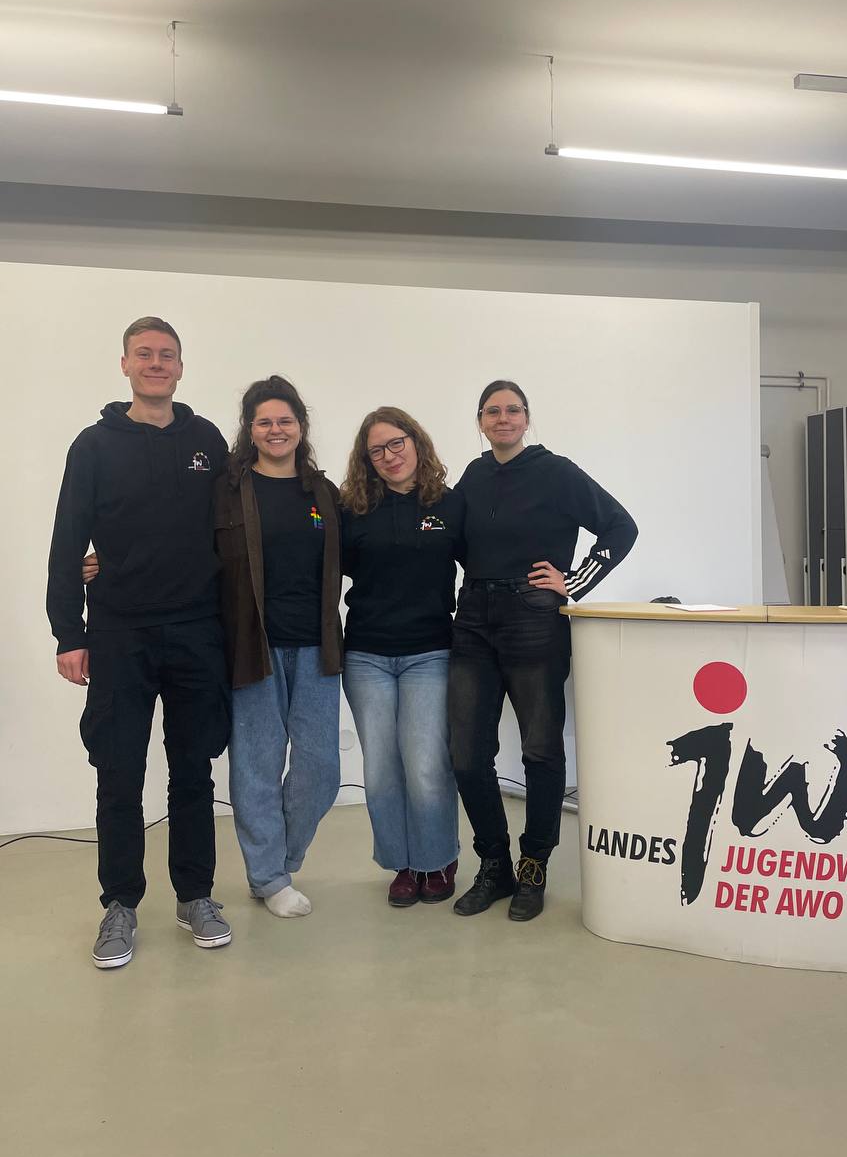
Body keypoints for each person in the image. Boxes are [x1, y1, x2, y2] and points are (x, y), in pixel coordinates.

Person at [47, 316, 233, 970]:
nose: (156, 364)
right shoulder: (94, 446)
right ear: (125, 364)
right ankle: (120, 904)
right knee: (119, 773)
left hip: (196, 631)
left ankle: (196, 895)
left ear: (181, 367)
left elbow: (232, 532)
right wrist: (69, 632)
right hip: (120, 632)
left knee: (194, 771)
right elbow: (68, 540)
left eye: (167, 355)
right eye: (144, 354)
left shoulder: (207, 441)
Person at [449, 380, 638, 921]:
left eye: (513, 410)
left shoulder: (556, 472)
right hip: (473, 620)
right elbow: (455, 542)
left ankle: (533, 867)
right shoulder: (473, 476)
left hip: (533, 618)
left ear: (527, 418)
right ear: (480, 421)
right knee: (466, 754)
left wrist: (573, 582)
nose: (503, 418)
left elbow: (620, 527)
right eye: (492, 411)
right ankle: (494, 866)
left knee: (540, 750)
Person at [215, 376, 343, 918]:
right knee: (257, 766)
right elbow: (181, 545)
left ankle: (277, 863)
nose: (275, 430)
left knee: (321, 768)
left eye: (285, 420)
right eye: (264, 421)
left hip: (317, 647)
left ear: (301, 426)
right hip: (253, 647)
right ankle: (269, 877)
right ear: (250, 429)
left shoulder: (323, 494)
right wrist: (111, 560)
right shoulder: (227, 490)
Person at [340, 407, 463, 906]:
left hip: (429, 653)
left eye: (397, 443)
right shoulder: (353, 510)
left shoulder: (450, 506)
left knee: (426, 764)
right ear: (366, 459)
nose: (389, 456)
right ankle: (403, 864)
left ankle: (437, 859)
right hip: (366, 656)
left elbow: (489, 562)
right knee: (380, 771)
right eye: (377, 450)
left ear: (416, 442)